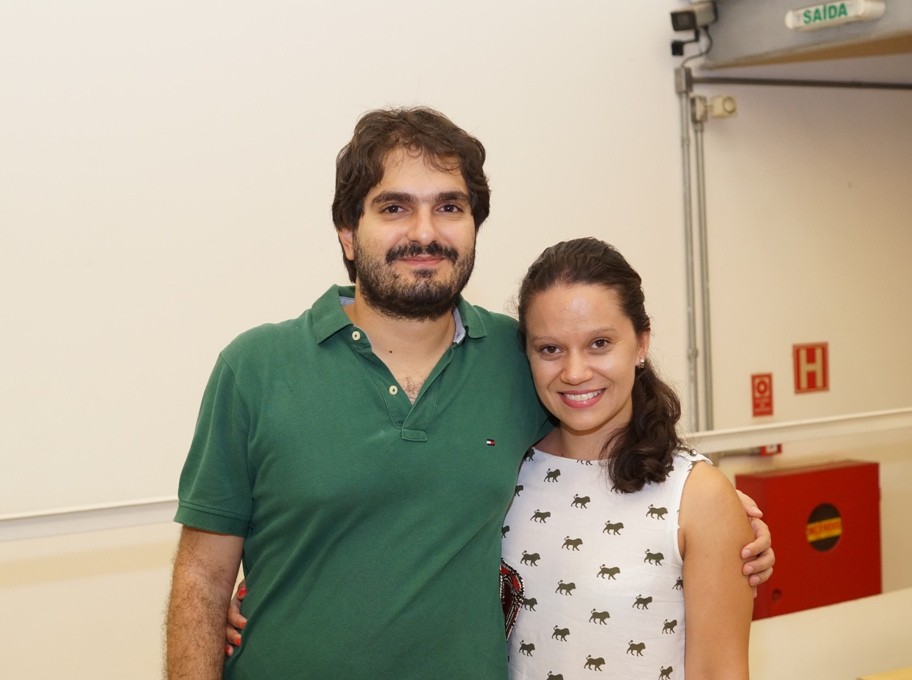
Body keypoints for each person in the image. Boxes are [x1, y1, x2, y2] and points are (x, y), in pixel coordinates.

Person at [165, 107, 772, 680]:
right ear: (349, 232)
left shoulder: (519, 358)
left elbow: (610, 431)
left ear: (474, 226)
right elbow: (201, 575)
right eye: (395, 207)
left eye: (449, 207)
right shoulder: (255, 368)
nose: (425, 232)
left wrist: (718, 520)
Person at [503, 237, 752, 679]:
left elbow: (719, 671)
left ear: (641, 343)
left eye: (599, 343)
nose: (575, 372)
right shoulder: (503, 473)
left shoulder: (698, 495)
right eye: (550, 349)